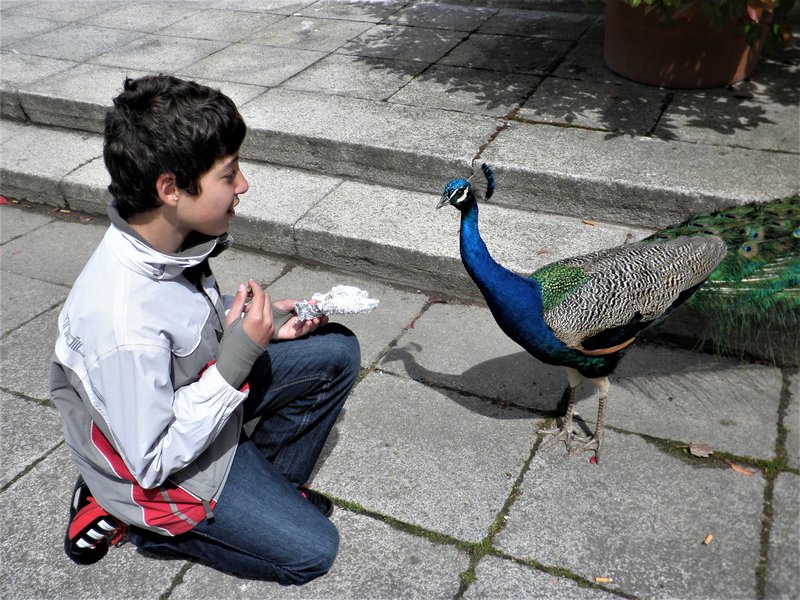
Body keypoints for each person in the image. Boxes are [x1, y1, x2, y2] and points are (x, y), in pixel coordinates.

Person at [49, 74, 360, 585]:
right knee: (312, 551)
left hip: (186, 402)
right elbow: (150, 461)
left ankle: (267, 497)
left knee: (335, 353)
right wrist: (237, 358)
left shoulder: (169, 241)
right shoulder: (121, 320)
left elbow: (179, 348)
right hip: (149, 471)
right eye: (229, 173)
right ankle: (128, 521)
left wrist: (257, 332)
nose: (243, 186)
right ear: (170, 188)